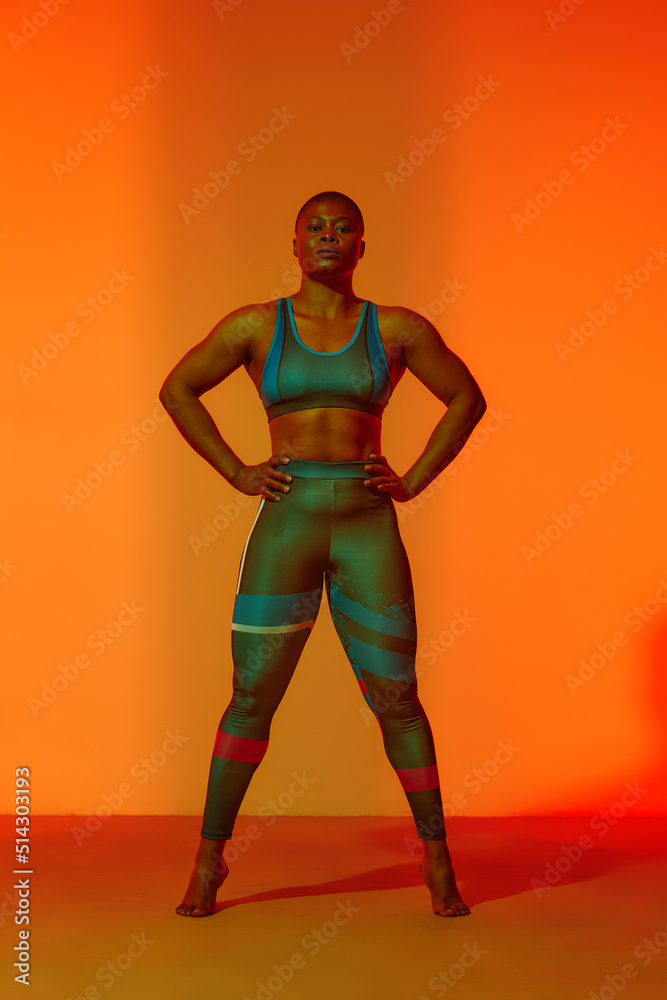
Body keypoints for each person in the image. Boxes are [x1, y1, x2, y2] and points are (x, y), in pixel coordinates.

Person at [159, 190, 486, 918]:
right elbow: (177, 389)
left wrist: (415, 478)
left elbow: (467, 397)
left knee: (397, 696)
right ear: (296, 244)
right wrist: (236, 470)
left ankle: (437, 857)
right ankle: (209, 861)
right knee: (251, 697)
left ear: (362, 246)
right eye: (316, 227)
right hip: (288, 523)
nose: (328, 236)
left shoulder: (396, 328)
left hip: (368, 524)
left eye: (343, 228)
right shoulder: (255, 325)